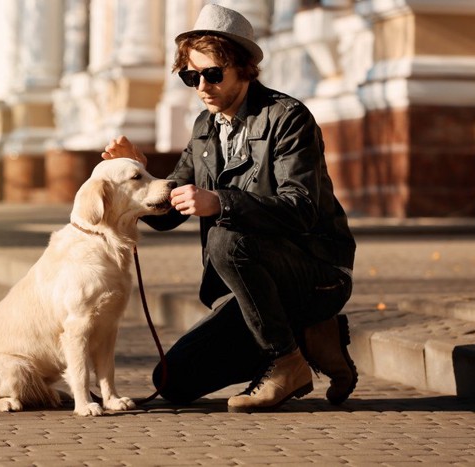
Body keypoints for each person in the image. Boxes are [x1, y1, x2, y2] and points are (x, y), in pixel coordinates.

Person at [102, 4, 357, 412]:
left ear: (243, 67)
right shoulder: (205, 128)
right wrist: (142, 177)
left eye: (213, 74)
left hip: (317, 272)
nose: (202, 86)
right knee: (171, 381)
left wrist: (220, 202)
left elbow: (302, 208)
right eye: (191, 76)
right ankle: (311, 335)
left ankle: (288, 362)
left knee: (225, 236)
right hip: (250, 290)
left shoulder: (286, 118)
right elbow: (169, 215)